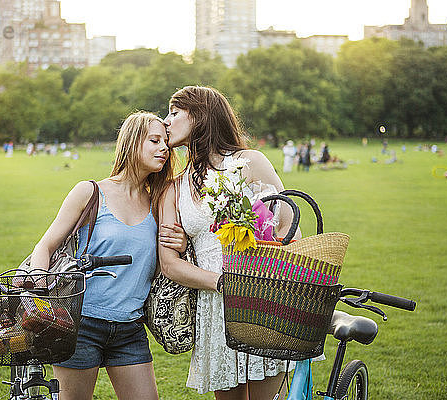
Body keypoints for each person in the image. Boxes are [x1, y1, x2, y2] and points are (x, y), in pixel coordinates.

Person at [158, 86, 301, 400]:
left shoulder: (249, 162)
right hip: (215, 304)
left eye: (174, 112)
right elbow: (169, 264)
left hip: (262, 298)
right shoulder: (174, 188)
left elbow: (289, 229)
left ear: (200, 117)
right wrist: (221, 281)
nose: (166, 121)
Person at [29, 112, 181, 400]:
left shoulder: (159, 200)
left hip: (130, 328)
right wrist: (39, 288)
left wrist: (181, 241)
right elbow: (45, 246)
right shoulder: (91, 192)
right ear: (132, 142)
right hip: (81, 324)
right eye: (154, 140)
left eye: (166, 143)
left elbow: (168, 258)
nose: (164, 148)